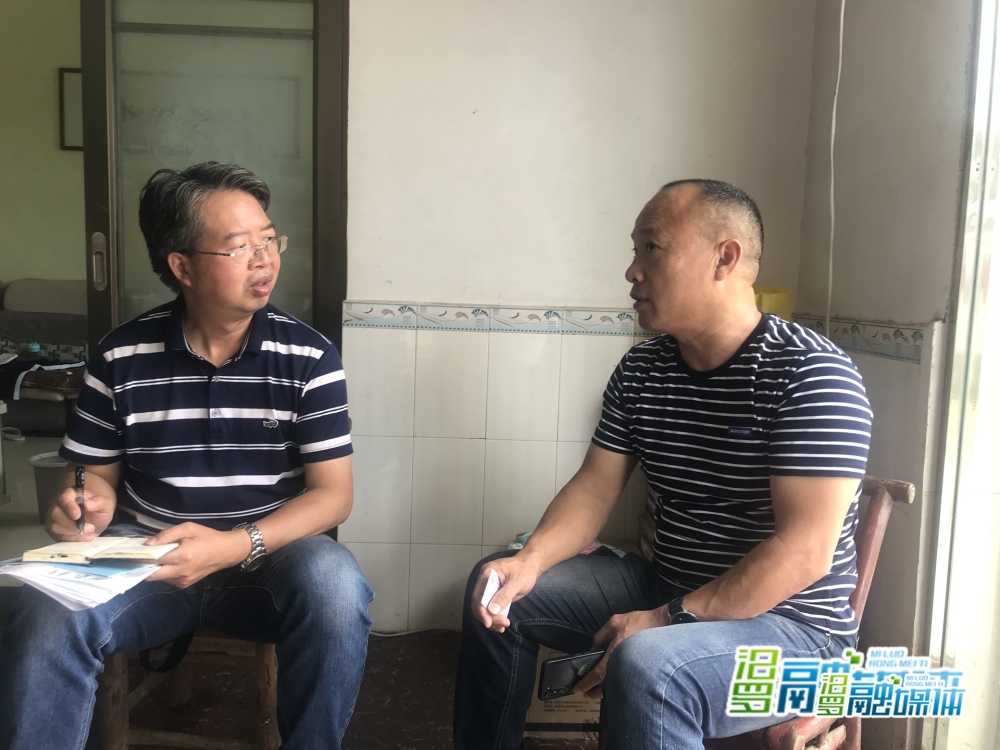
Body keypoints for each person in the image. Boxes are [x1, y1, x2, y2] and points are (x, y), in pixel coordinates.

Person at [454, 179, 871, 749]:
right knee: (497, 588)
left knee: (651, 663)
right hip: (668, 586)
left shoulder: (811, 375)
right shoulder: (643, 370)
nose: (632, 270)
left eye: (651, 247)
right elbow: (594, 490)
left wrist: (666, 618)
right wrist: (529, 561)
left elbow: (803, 552)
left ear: (724, 258)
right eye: (635, 250)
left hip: (795, 633)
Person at [0, 162, 373, 750]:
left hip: (266, 562)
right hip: (148, 560)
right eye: (240, 246)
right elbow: (91, 472)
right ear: (182, 267)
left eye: (269, 240)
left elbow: (334, 496)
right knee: (45, 611)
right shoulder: (120, 356)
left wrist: (234, 545)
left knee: (335, 585)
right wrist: (84, 503)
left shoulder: (309, 357)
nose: (264, 259)